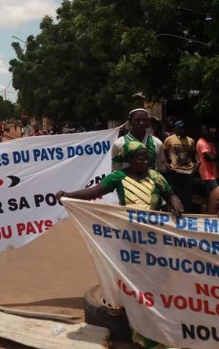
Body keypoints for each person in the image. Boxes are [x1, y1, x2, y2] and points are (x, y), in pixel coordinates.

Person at [56, 140, 183, 349]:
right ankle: (136, 324)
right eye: (141, 158)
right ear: (129, 159)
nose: (145, 162)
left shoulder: (156, 176)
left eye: (147, 158)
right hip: (130, 238)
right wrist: (68, 195)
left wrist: (175, 199)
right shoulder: (119, 177)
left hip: (155, 238)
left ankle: (160, 318)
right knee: (132, 276)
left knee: (157, 277)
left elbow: (170, 194)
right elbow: (94, 192)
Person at [111, 108, 167, 173]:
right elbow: (115, 171)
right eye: (137, 120)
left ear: (148, 121)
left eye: (144, 120)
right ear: (130, 121)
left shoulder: (157, 143)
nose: (141, 123)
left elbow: (161, 170)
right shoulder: (119, 144)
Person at [163, 120, 197, 213]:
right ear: (176, 129)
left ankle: (187, 214)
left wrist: (196, 163)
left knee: (187, 196)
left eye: (184, 128)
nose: (183, 130)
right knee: (175, 195)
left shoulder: (191, 141)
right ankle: (175, 212)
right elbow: (164, 151)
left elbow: (193, 154)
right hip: (175, 171)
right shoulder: (169, 139)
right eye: (180, 128)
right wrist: (166, 163)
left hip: (188, 171)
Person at [196, 124, 219, 197]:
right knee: (217, 193)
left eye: (206, 130)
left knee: (211, 195)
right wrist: (214, 156)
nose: (206, 132)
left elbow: (215, 156)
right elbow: (210, 158)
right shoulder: (201, 142)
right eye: (204, 130)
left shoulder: (210, 144)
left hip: (213, 173)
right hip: (207, 174)